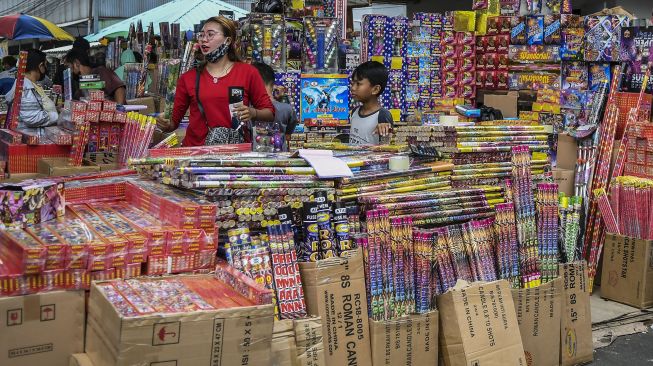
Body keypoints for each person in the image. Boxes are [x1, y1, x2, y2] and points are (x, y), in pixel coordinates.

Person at [157, 16, 275, 146]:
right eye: (201, 35)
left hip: (234, 154)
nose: (204, 39)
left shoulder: (248, 73)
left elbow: (270, 113)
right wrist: (164, 123)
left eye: (210, 34)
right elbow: (173, 123)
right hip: (196, 154)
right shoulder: (188, 78)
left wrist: (253, 112)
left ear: (228, 40)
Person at [4, 49, 58, 129]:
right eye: (45, 65)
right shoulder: (26, 87)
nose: (46, 68)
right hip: (29, 135)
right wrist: (57, 116)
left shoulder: (28, 84)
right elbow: (32, 118)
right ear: (40, 66)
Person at [252, 62, 297, 146]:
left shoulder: (248, 109)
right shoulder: (287, 109)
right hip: (279, 154)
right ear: (273, 85)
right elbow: (288, 134)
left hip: (253, 155)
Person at [349, 61, 393, 145]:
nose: (353, 88)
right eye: (352, 83)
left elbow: (388, 145)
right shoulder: (354, 112)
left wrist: (386, 131)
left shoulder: (383, 115)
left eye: (358, 84)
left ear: (375, 89)